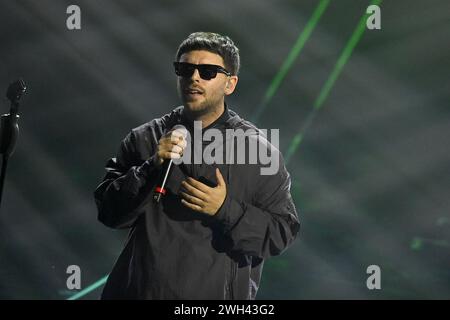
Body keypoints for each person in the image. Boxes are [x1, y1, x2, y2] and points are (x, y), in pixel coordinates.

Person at [94, 31, 300, 299]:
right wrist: (151, 166)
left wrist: (225, 209)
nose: (194, 77)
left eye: (208, 71)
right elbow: (109, 212)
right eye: (185, 69)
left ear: (230, 83)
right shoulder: (145, 138)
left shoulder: (257, 151)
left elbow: (281, 233)